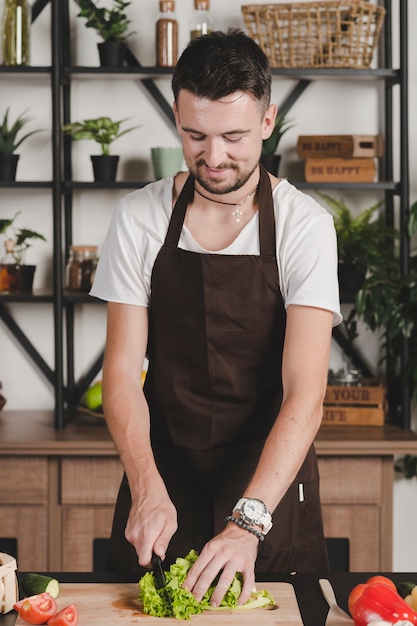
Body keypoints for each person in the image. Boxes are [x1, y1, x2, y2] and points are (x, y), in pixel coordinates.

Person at [90, 28, 342, 607]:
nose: (215, 156)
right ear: (177, 116)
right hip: (164, 469)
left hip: (268, 481)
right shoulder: (140, 218)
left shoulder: (305, 226)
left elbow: (305, 393)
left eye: (233, 136)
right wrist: (144, 484)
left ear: (267, 120)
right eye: (195, 135)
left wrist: (249, 521)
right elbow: (123, 374)